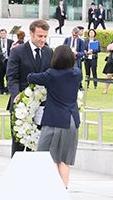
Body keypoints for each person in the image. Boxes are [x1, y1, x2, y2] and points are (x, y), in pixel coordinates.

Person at [28, 45, 82, 188]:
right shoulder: (77, 73)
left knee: (45, 156)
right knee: (64, 159)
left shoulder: (51, 75)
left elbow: (31, 77)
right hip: (71, 120)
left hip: (54, 120)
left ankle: (48, 186)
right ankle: (63, 187)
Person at [6, 20, 53, 155]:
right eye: (40, 36)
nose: (43, 39)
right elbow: (12, 77)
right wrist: (17, 96)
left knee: (40, 145)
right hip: (21, 105)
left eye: (45, 36)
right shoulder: (17, 51)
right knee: (19, 145)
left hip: (42, 106)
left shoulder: (49, 52)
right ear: (31, 34)